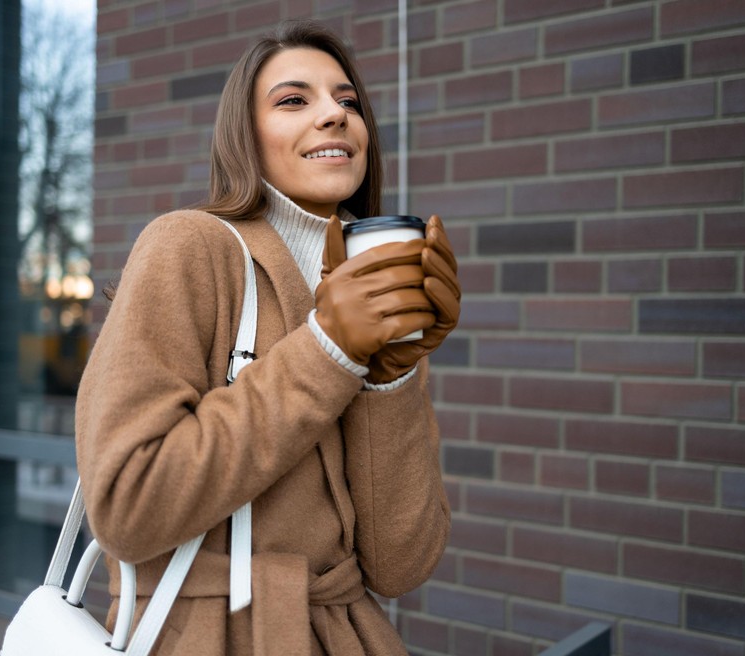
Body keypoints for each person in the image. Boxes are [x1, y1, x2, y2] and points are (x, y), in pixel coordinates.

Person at [75, 19, 460, 655]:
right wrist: (328, 349)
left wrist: (392, 375)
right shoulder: (189, 246)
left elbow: (400, 566)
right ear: (245, 137)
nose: (334, 116)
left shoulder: (366, 291)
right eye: (293, 100)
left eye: (348, 101)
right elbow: (125, 503)